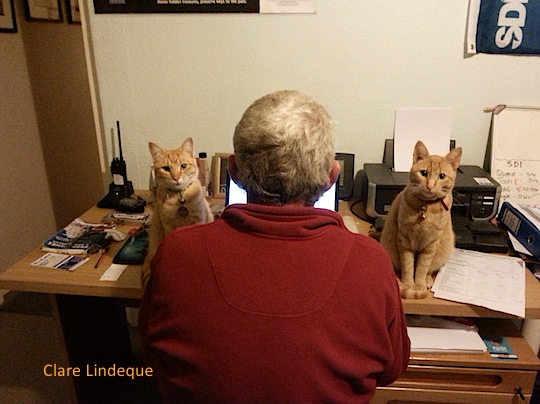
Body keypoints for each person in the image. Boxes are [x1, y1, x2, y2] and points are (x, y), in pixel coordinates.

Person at [138, 90, 410, 403]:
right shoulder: (371, 261)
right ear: (331, 177)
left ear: (234, 172)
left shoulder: (175, 253)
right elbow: (392, 369)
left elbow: (151, 356)